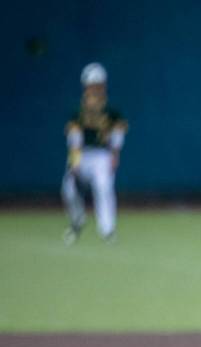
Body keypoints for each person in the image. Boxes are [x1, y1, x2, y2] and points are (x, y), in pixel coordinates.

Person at [62, 62, 127, 245]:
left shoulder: (111, 110)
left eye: (98, 84)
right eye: (92, 84)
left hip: (102, 155)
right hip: (82, 154)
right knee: (68, 190)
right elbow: (74, 138)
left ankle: (108, 230)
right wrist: (74, 162)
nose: (95, 88)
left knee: (104, 187)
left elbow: (117, 134)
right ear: (85, 86)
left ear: (104, 85)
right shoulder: (78, 110)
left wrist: (115, 155)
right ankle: (77, 220)